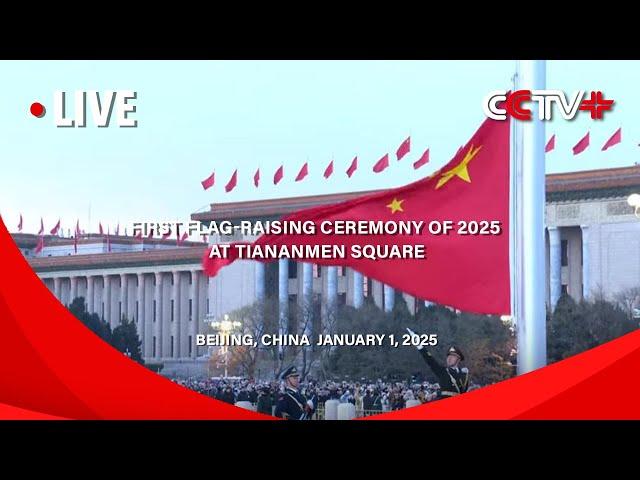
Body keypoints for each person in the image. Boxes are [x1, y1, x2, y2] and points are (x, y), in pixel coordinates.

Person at [407, 328, 470, 400]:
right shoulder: (443, 372)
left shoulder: (464, 374)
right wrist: (419, 344)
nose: (449, 358)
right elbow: (430, 360)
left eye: (452, 356)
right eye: (448, 356)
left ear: (458, 359)